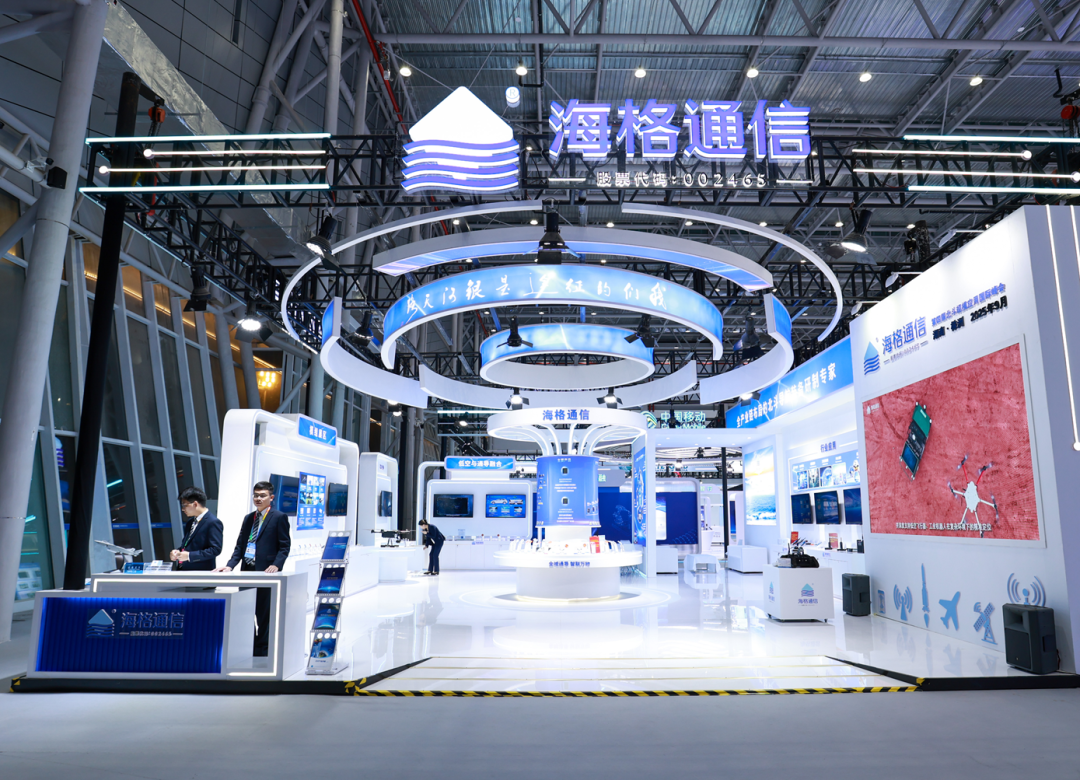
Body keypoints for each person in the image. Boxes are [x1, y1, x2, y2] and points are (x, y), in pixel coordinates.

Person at [216, 481, 291, 656]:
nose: (258, 498)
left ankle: (263, 649)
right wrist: (230, 565)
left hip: (266, 572)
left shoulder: (279, 517)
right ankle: (248, 645)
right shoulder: (249, 518)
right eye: (256, 495)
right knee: (246, 609)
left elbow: (284, 546)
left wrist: (276, 565)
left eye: (262, 495)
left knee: (264, 612)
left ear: (271, 497)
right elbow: (240, 545)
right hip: (247, 570)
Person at [170, 486, 223, 571]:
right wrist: (177, 552)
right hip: (183, 571)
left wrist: (189, 556)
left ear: (195, 504)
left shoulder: (213, 522)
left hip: (200, 573)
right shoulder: (190, 522)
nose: (183, 509)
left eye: (184, 505)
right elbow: (188, 545)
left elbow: (215, 550)